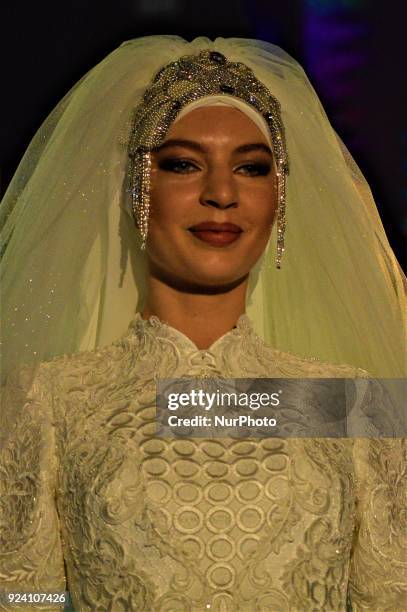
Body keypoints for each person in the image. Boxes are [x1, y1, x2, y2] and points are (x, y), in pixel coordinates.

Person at [0, 36, 405, 611]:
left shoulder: (352, 403)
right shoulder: (52, 401)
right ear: (140, 187)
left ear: (278, 198)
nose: (221, 194)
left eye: (252, 168)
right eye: (184, 164)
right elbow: (23, 597)